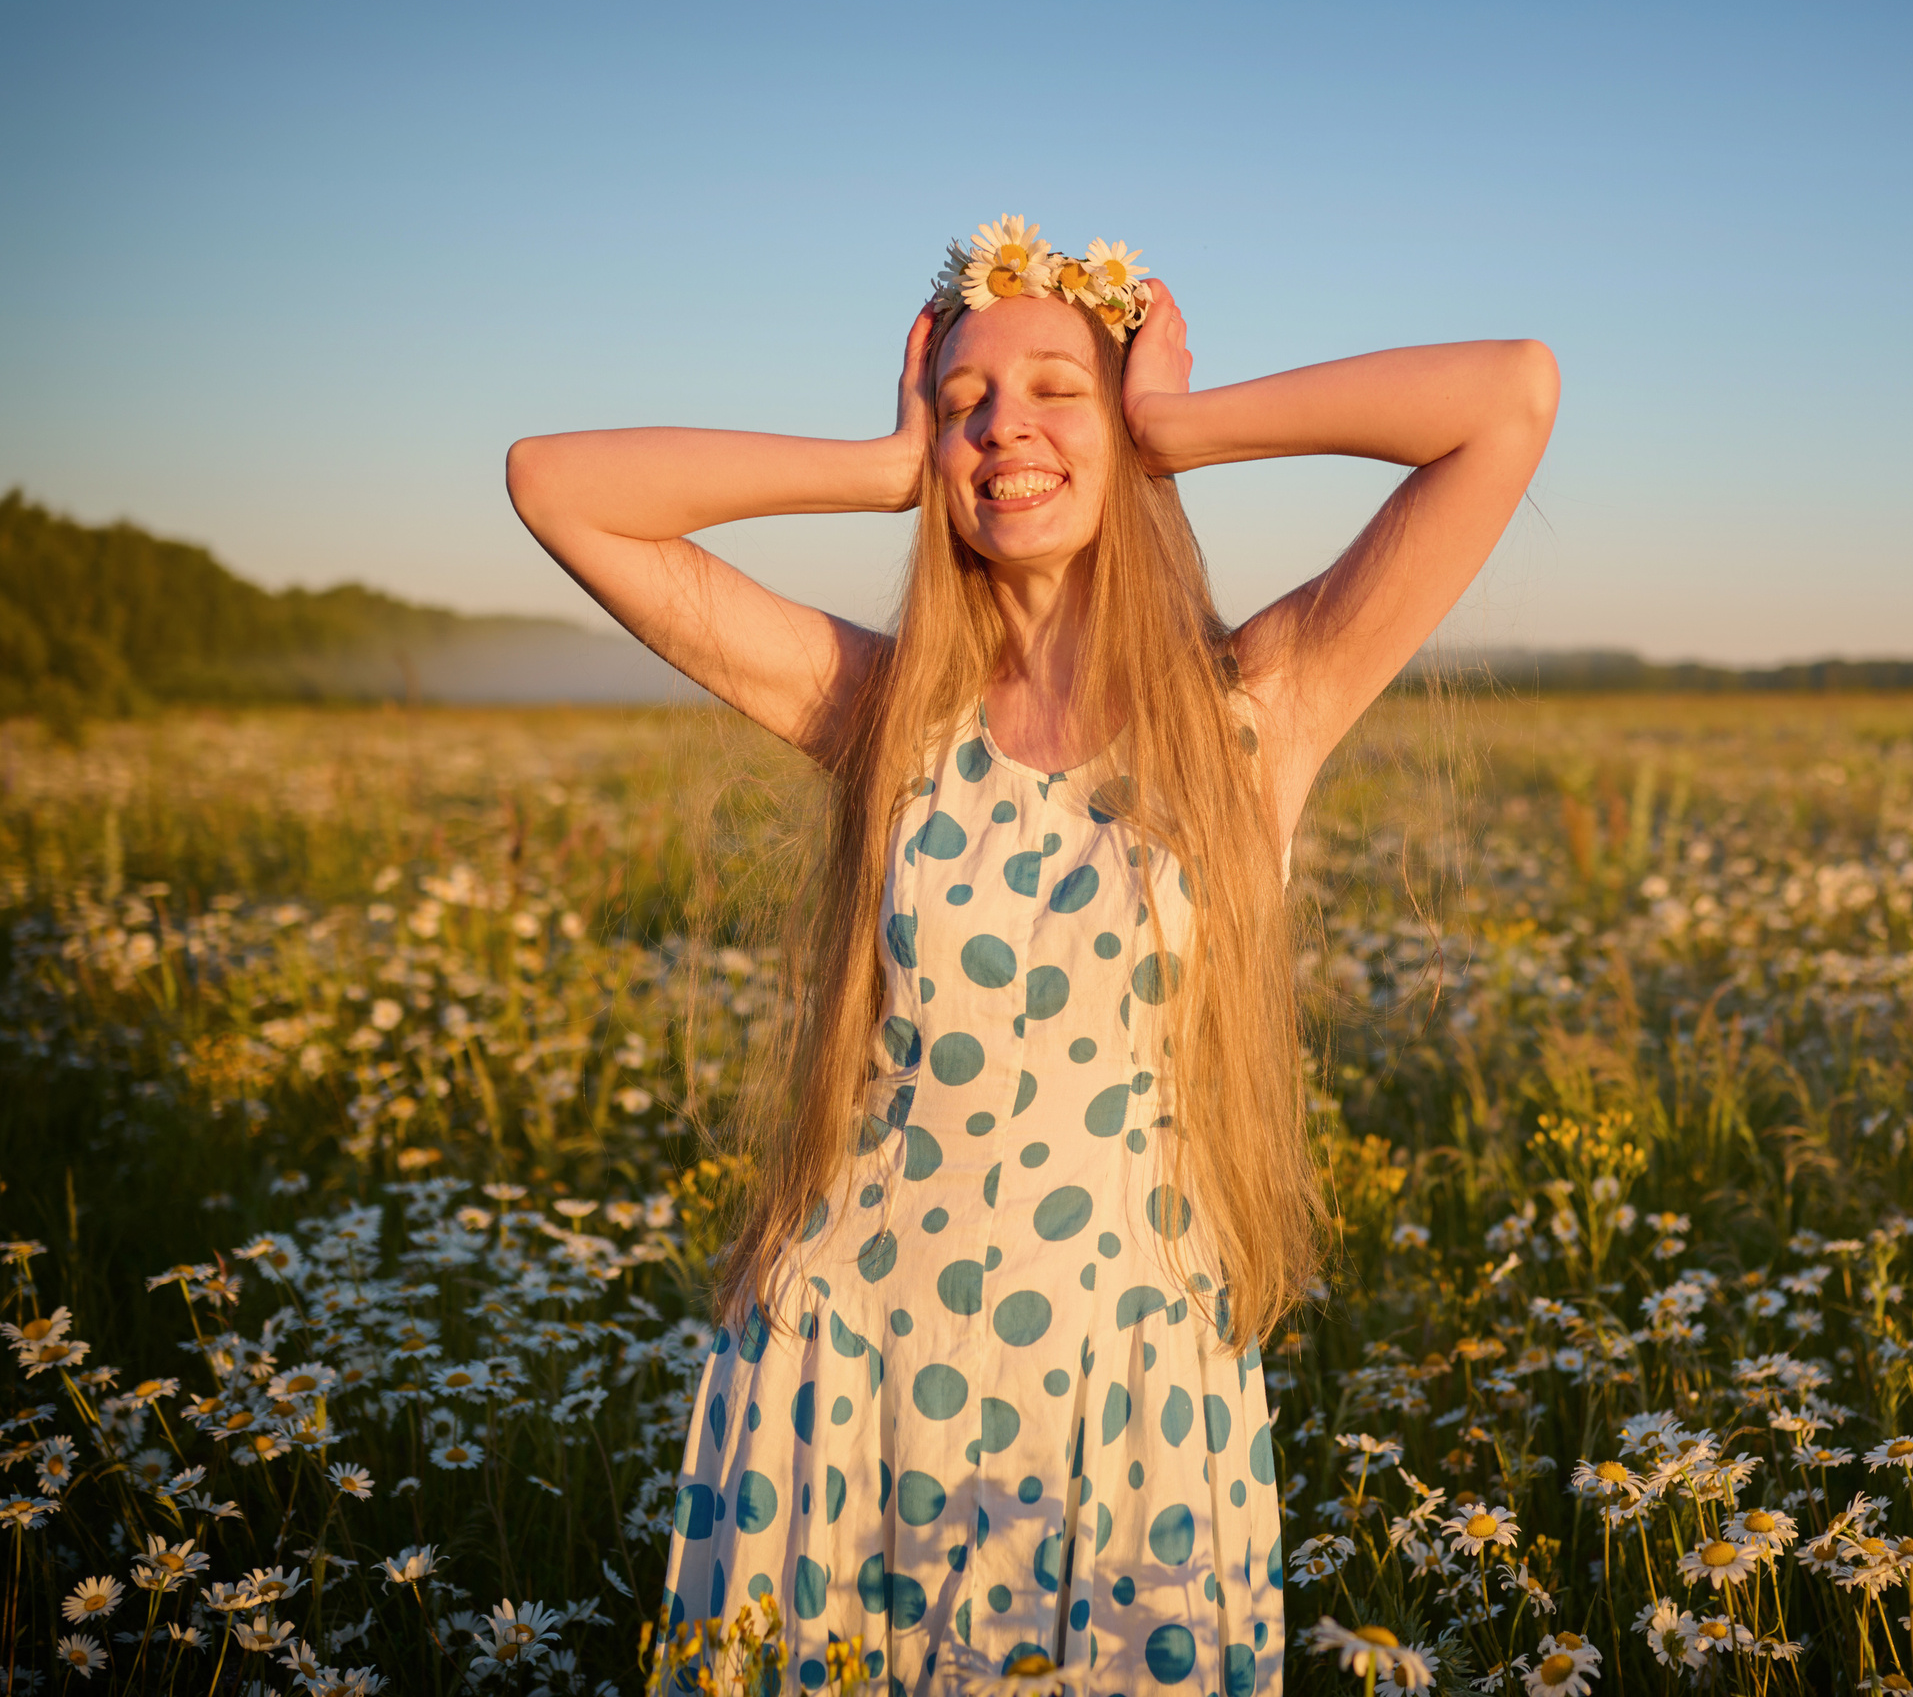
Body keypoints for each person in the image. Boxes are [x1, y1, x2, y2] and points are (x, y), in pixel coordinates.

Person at [506, 216, 1557, 1695]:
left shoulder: (1254, 707)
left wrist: (1177, 422)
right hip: (847, 1382)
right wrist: (876, 465)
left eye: (1058, 389)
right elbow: (555, 485)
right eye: (967, 402)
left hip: (1123, 1401)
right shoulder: (882, 710)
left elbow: (1508, 395)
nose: (1007, 430)